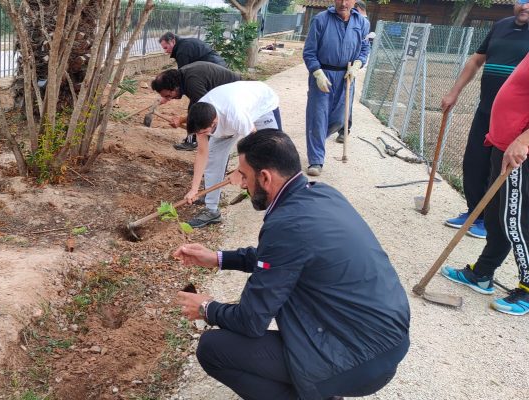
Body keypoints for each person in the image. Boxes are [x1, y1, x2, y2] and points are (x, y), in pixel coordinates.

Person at [173, 129, 410, 400]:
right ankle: (325, 388)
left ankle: (325, 389)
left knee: (213, 348)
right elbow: (279, 257)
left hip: (357, 360)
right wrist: (217, 258)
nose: (241, 185)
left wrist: (206, 308)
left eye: (245, 176)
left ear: (265, 178)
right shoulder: (321, 195)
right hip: (385, 345)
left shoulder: (286, 225)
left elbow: (251, 320)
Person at [441, 53, 529, 316]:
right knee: (495, 218)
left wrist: (524, 140)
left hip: (519, 153)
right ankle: (482, 273)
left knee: (516, 223)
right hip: (503, 146)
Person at [442, 0, 529, 239]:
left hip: (517, 122)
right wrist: (454, 92)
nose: (525, 6)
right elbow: (475, 60)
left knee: (498, 171)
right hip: (486, 112)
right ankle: (474, 214)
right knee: (474, 164)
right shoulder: (500, 26)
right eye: (521, 1)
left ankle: (491, 224)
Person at [183, 81, 281, 228]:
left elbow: (255, 143)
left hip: (262, 105)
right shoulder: (200, 114)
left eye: (204, 132)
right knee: (213, 159)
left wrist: (240, 171)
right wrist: (194, 189)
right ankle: (211, 210)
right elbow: (202, 153)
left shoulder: (235, 115)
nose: (202, 135)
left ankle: (275, 199)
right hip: (230, 114)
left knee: (271, 152)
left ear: (214, 121)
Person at [302, 0, 370, 176]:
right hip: (323, 74)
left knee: (340, 119)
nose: (343, 3)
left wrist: (358, 64)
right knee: (318, 118)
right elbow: (309, 51)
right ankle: (316, 160)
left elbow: (364, 47)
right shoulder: (321, 19)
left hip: (347, 76)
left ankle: (316, 140)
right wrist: (317, 73)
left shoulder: (362, 23)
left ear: (354, 1)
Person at [150, 62, 240, 151]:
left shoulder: (192, 82)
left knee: (201, 113)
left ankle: (199, 141)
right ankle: (193, 139)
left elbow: (204, 109)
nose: (170, 99)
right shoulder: (182, 76)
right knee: (193, 108)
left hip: (235, 91)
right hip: (226, 89)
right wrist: (166, 97)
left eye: (168, 95)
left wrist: (181, 120)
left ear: (174, 87)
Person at [158, 31, 227, 69]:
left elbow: (183, 73)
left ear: (172, 41)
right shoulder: (187, 43)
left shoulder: (182, 51)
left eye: (166, 48)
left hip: (214, 69)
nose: (165, 51)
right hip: (220, 66)